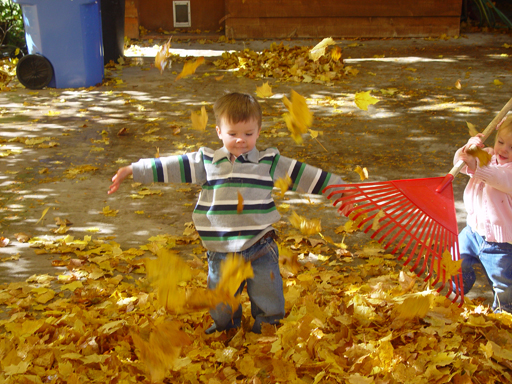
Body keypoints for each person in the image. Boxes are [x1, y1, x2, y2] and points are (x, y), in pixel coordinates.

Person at [108, 92, 344, 333]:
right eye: (233, 134)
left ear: (258, 131)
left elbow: (302, 173)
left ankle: (268, 329)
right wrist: (133, 170)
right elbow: (171, 166)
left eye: (248, 134)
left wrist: (337, 187)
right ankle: (227, 328)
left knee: (268, 296)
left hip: (260, 244)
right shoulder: (207, 161)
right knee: (221, 307)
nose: (241, 140)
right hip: (221, 249)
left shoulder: (268, 162)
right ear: (219, 131)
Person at [454, 115, 512, 313]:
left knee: (503, 283)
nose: (504, 149)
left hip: (500, 244)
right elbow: (460, 166)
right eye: (501, 142)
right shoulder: (487, 155)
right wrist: (467, 150)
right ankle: (452, 296)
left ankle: (504, 313)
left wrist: (475, 164)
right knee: (456, 262)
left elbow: (496, 176)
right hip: (472, 232)